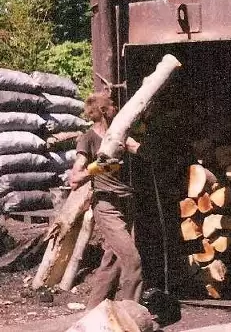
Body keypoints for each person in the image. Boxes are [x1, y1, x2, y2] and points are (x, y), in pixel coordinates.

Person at [70, 92, 144, 309]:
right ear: (103, 111)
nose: (116, 107)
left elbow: (143, 152)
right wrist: (97, 168)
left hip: (127, 203)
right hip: (106, 206)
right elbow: (75, 178)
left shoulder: (120, 134)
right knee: (133, 260)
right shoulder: (89, 139)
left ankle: (93, 312)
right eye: (112, 105)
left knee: (112, 261)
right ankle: (131, 314)